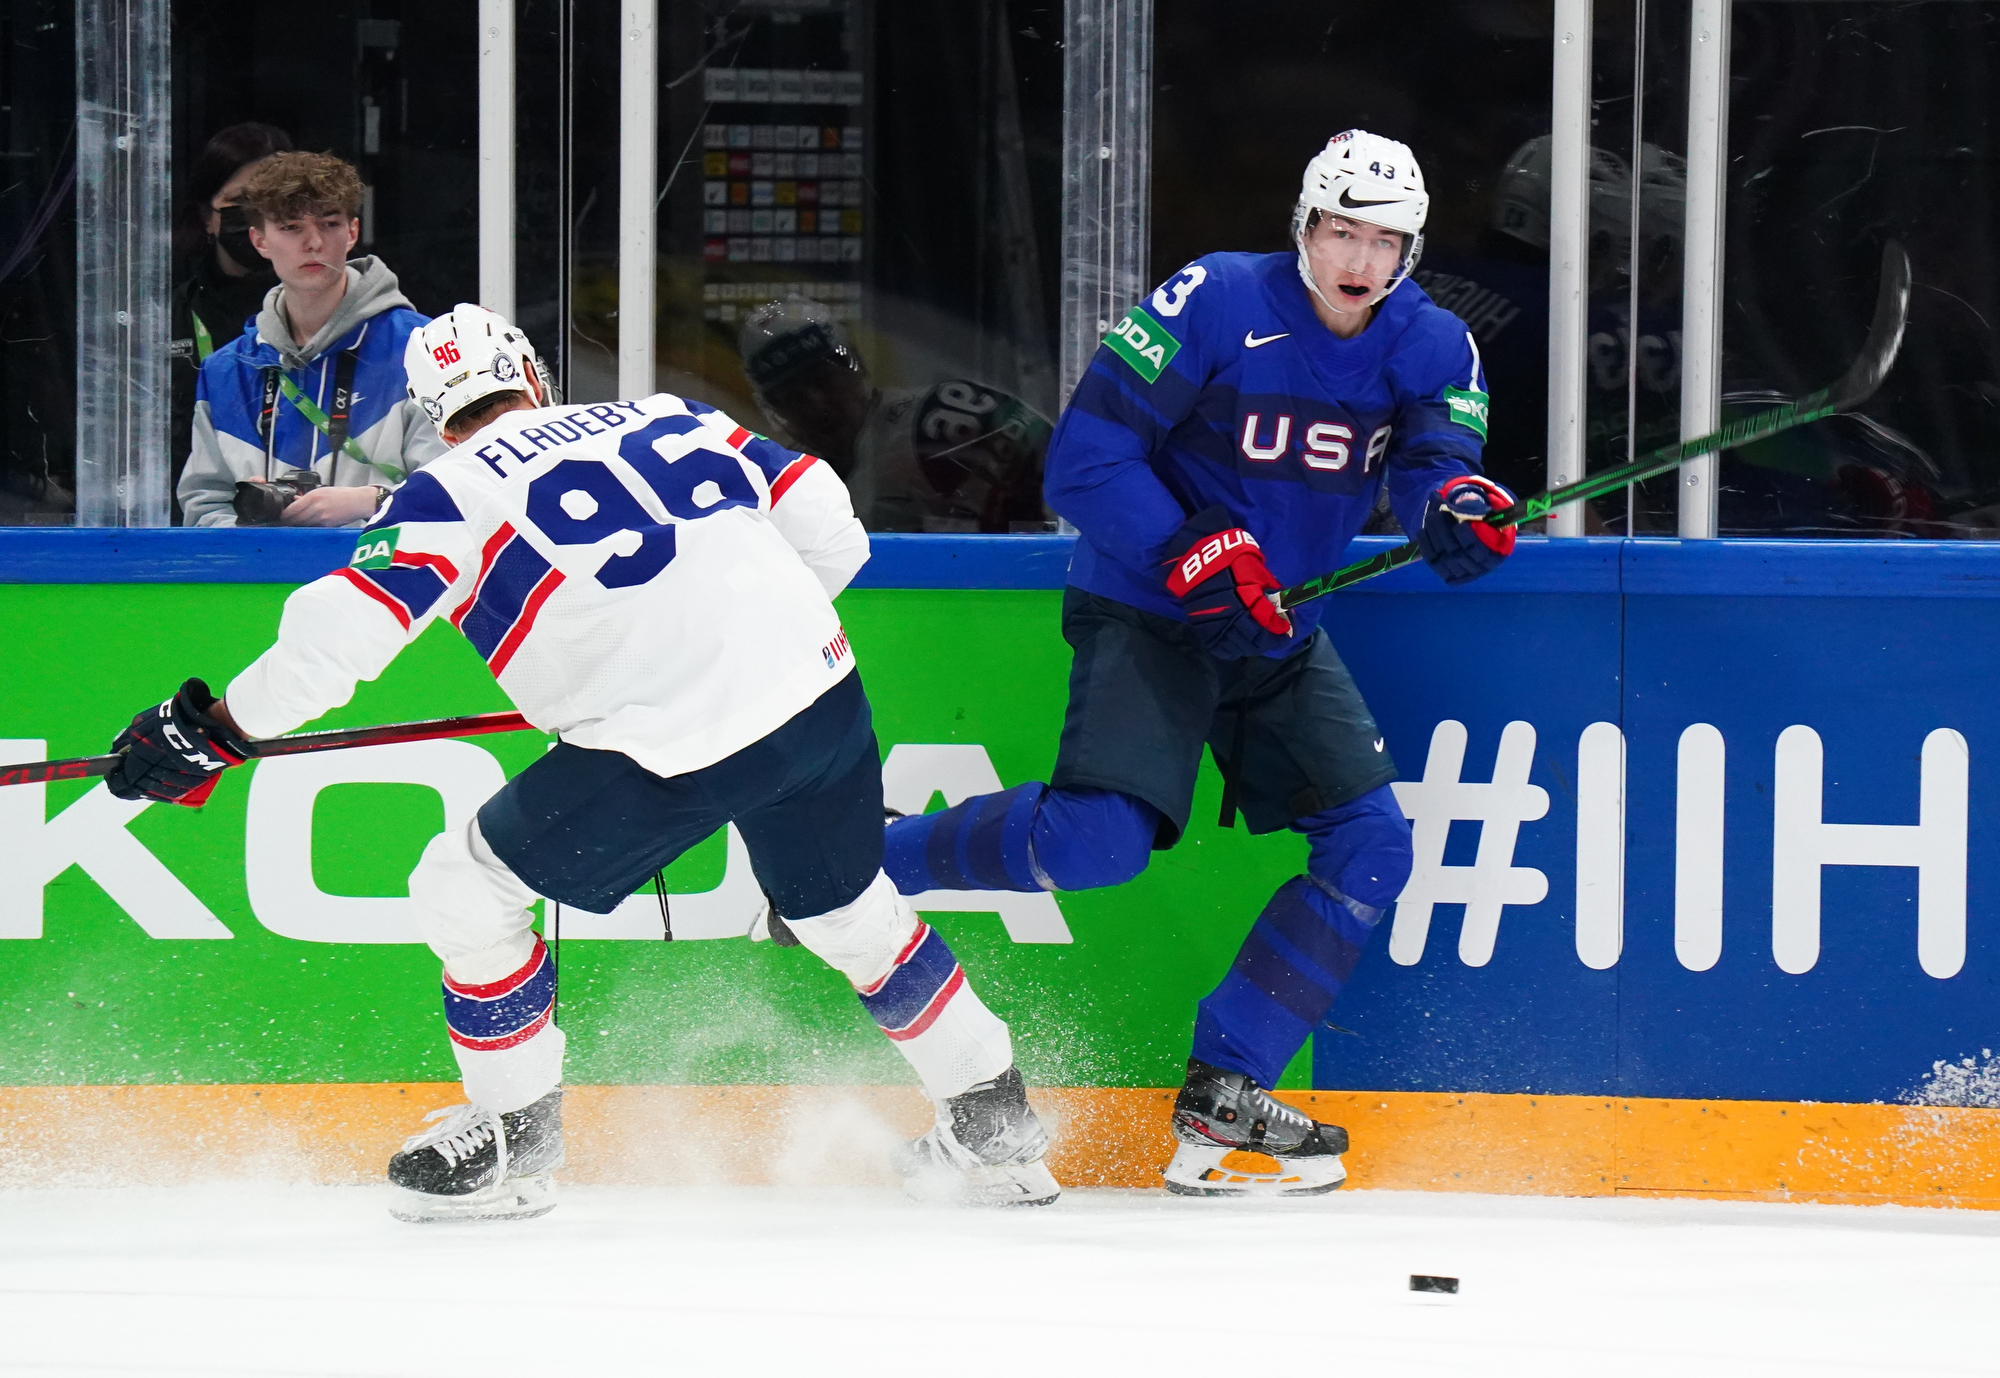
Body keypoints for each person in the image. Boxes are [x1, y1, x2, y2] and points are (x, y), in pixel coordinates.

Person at [102, 305, 1060, 1220]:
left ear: (436, 417)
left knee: (464, 891)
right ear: (532, 375)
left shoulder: (448, 489)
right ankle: (996, 1127)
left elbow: (337, 639)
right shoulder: (669, 415)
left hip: (665, 746)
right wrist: (719, 641)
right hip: (821, 700)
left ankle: (516, 1145)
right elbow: (827, 519)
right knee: (846, 911)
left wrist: (211, 729)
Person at [879, 130, 1514, 1197]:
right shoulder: (1214, 299)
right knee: (1094, 843)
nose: (1358, 260)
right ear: (1303, 227)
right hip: (1147, 608)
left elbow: (1432, 460)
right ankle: (860, 868)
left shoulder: (1433, 343)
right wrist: (1190, 546)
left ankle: (1226, 1091)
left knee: (1370, 848)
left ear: (1409, 251)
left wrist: (1453, 508)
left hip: (1271, 630)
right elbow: (1085, 459)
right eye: (1340, 231)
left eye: (1383, 241)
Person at [179, 151, 446, 528]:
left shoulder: (422, 349)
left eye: (330, 223)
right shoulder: (227, 370)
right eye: (291, 227)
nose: (314, 243)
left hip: (380, 580)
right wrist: (249, 527)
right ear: (259, 241)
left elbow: (458, 494)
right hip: (265, 584)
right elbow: (203, 508)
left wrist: (373, 502)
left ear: (352, 232)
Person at [737, 298, 1050, 532]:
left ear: (855, 366)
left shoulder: (938, 418)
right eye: (793, 397)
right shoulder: (784, 477)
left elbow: (1065, 468)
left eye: (823, 380)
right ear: (776, 409)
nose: (816, 403)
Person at [170, 122, 293, 521]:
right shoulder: (170, 313)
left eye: (273, 202)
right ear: (208, 216)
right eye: (241, 202)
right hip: (190, 522)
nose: (257, 220)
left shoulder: (316, 312)